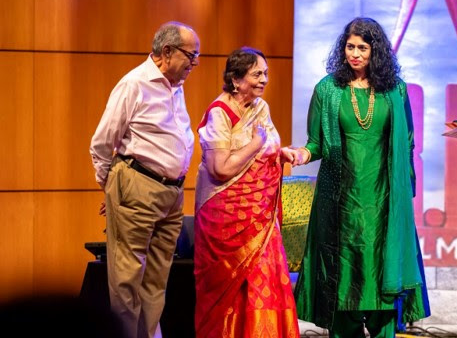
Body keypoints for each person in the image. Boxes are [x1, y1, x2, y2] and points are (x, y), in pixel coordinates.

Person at [291, 17, 430, 337]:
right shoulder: (328, 89)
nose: (355, 54)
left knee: (382, 280)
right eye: (350, 47)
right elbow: (316, 143)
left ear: (375, 51)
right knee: (344, 282)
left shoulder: (395, 90)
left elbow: (407, 143)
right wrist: (302, 155)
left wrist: (404, 193)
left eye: (362, 48)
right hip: (341, 202)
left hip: (384, 203)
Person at [90, 21, 200, 338]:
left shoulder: (175, 85)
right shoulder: (134, 84)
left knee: (156, 281)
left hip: (172, 193)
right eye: (191, 55)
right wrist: (113, 189)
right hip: (138, 184)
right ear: (167, 51)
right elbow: (102, 143)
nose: (194, 63)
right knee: (127, 279)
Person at [193, 47, 300, 338]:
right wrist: (255, 144)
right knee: (231, 289)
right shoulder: (219, 113)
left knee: (264, 280)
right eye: (256, 74)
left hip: (261, 219)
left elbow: (265, 149)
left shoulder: (259, 108)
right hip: (226, 219)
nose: (264, 79)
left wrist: (280, 153)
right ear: (236, 80)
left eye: (265, 73)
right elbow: (220, 169)